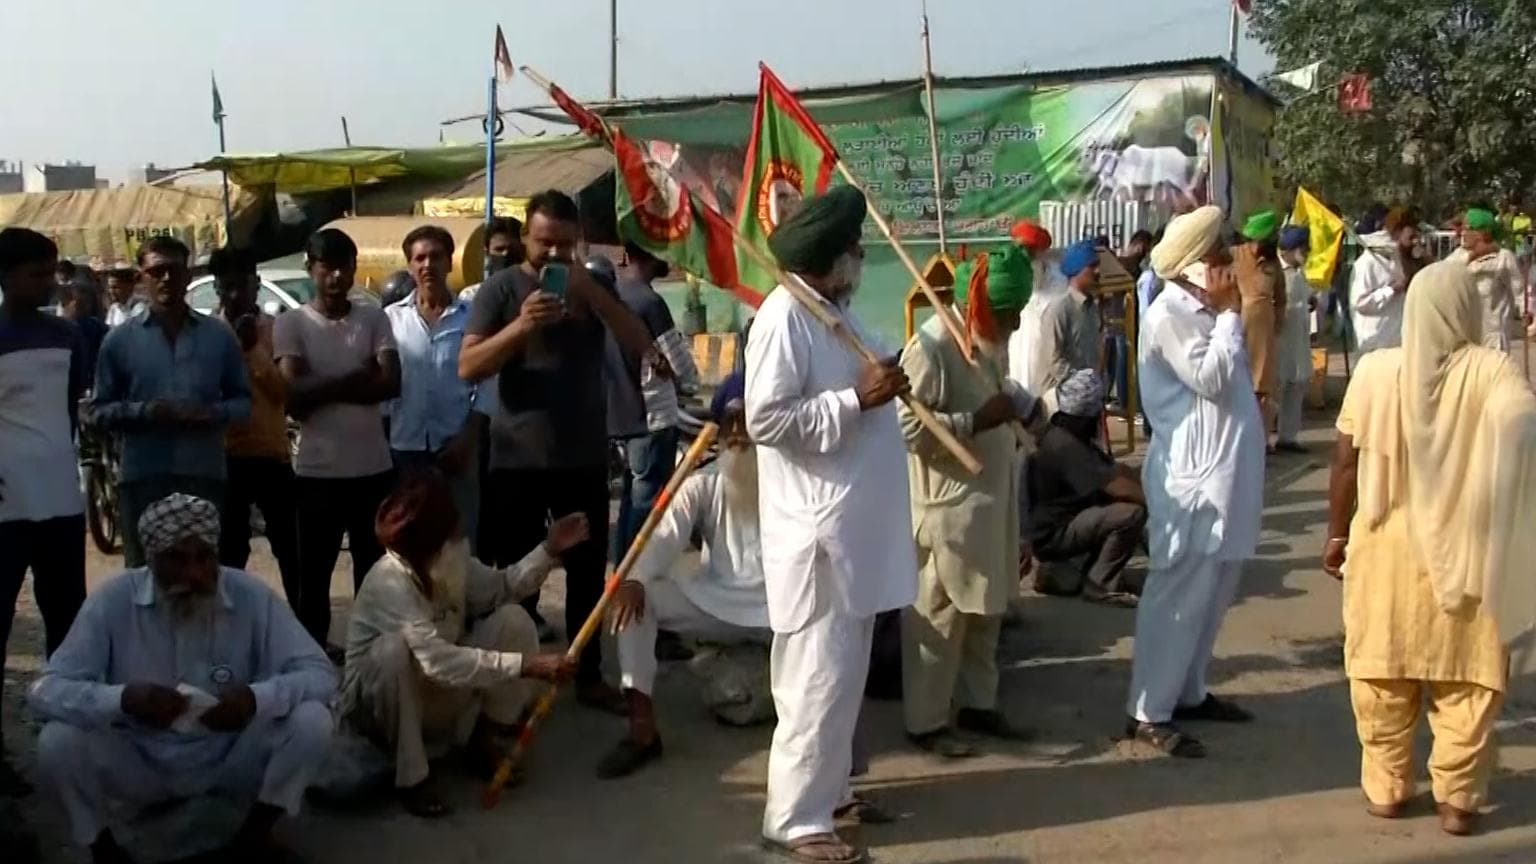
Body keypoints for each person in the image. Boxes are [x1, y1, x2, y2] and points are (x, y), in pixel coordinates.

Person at [1323, 259, 1536, 837]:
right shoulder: (1492, 372)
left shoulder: (1373, 371)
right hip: (1469, 558)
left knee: (1382, 677)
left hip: (1385, 553)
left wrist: (1336, 536)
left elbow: (1345, 462)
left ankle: (1389, 788)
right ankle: (1458, 800)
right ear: (1466, 307)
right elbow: (1524, 428)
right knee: (1467, 682)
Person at [745, 185, 918, 864]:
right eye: (854, 249)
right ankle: (794, 820)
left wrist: (887, 378)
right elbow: (767, 420)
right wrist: (856, 399)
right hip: (818, 538)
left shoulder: (831, 312)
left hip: (853, 537)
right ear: (831, 259)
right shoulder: (784, 318)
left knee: (841, 678)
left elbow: (878, 364)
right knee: (816, 680)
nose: (862, 257)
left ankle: (833, 791)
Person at [29, 493, 336, 864]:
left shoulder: (250, 596)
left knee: (313, 721)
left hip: (229, 757)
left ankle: (253, 838)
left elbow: (320, 673)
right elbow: (46, 690)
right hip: (142, 760)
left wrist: (256, 699)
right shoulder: (112, 602)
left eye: (205, 558)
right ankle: (105, 851)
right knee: (57, 742)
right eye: (177, 559)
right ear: (150, 558)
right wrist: (124, 699)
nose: (194, 574)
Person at [460, 189, 652, 713]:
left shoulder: (592, 286)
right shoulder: (500, 289)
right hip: (516, 459)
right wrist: (523, 325)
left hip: (582, 457)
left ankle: (588, 674)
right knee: (517, 578)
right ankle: (515, 683)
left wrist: (593, 291)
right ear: (525, 236)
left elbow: (640, 342)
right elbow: (468, 366)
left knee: (588, 574)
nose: (553, 255)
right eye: (544, 242)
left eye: (565, 245)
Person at [339, 470, 586, 817]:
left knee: (513, 619)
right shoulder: (388, 583)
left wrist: (548, 549)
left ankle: (481, 741)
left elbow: (502, 587)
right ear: (430, 538)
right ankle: (411, 778)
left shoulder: (449, 561)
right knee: (393, 653)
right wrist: (527, 666)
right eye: (451, 530)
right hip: (382, 710)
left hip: (434, 692)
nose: (460, 536)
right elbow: (437, 661)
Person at [1125, 205, 1265, 758]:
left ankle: (1189, 690)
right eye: (1219, 256)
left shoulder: (1205, 309)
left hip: (1227, 478)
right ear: (1195, 265)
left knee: (1215, 590)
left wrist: (1226, 314)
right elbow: (1209, 378)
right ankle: (1148, 710)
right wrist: (1231, 316)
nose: (1230, 264)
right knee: (1178, 593)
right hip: (1192, 481)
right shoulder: (1170, 314)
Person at [598, 374, 772, 778]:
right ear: (719, 431)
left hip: (782, 614)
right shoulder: (701, 484)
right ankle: (642, 729)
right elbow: (663, 539)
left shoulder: (793, 480)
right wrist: (635, 579)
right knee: (639, 600)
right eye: (732, 423)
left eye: (751, 422)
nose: (741, 434)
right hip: (718, 606)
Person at [898, 246, 1034, 759]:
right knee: (939, 619)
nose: (1017, 324)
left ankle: (980, 706)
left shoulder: (984, 340)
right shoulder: (930, 348)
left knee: (985, 612)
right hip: (946, 510)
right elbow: (909, 430)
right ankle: (926, 724)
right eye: (1008, 314)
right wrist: (978, 422)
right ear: (980, 307)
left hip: (988, 506)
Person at [273, 228, 400, 647]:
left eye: (344, 266)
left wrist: (321, 386)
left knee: (374, 571)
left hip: (373, 470)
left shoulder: (374, 317)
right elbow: (294, 398)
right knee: (315, 575)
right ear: (311, 269)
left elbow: (390, 383)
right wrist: (354, 377)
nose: (336, 276)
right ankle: (312, 655)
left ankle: (369, 651)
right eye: (327, 267)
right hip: (317, 473)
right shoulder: (291, 324)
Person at [92, 236, 251, 568]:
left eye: (174, 271)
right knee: (143, 579)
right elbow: (100, 410)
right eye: (157, 271)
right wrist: (147, 412)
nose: (166, 279)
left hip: (204, 475)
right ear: (142, 277)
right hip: (143, 476)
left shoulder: (218, 336)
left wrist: (210, 414)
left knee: (206, 577)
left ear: (189, 276)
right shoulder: (119, 341)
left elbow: (243, 403)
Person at [0, 229, 88, 787]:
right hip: (6, 507)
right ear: (5, 277)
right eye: (35, 273)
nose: (48, 283)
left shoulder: (67, 335)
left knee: (69, 624)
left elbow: (69, 411)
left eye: (51, 272)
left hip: (60, 499)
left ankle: (67, 737)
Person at [386, 225, 488, 550]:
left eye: (435, 256)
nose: (427, 264)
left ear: (449, 262)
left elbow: (487, 382)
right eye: (419, 258)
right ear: (409, 265)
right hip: (405, 451)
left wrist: (469, 437)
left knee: (459, 544)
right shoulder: (390, 320)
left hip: (456, 449)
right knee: (409, 545)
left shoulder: (472, 319)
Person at [208, 247, 299, 605]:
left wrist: (252, 351)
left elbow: (283, 394)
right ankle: (228, 628)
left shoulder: (277, 330)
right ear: (216, 289)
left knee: (291, 549)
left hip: (272, 455)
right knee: (229, 552)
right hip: (225, 457)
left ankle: (308, 629)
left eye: (241, 287)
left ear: (256, 285)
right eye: (226, 287)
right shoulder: (208, 335)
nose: (234, 296)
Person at [612, 241, 702, 560]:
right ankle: (635, 579)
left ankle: (619, 580)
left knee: (631, 502)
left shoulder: (611, 296)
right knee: (648, 506)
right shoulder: (649, 302)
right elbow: (680, 366)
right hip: (654, 417)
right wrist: (691, 384)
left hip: (621, 418)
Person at [1027, 369, 1147, 606]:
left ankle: (1097, 573)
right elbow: (1116, 486)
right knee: (1131, 514)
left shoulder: (1065, 434)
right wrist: (1158, 504)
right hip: (1053, 535)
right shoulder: (1065, 445)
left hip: (1060, 526)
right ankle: (1101, 585)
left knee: (1126, 501)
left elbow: (1114, 471)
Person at [1232, 209, 1286, 452]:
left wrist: (1279, 322)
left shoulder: (1274, 264)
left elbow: (1281, 298)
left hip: (1264, 330)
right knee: (1237, 383)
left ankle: (1261, 441)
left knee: (1261, 389)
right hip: (1236, 326)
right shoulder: (1234, 256)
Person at [1037, 240, 1102, 414]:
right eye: (1092, 266)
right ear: (1076, 270)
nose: (1098, 271)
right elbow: (1053, 359)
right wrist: (1079, 384)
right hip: (1061, 403)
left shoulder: (1091, 308)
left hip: (1087, 401)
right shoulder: (1059, 309)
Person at [1450, 207, 1526, 353]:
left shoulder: (1503, 258)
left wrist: (1527, 314)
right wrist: (1471, 257)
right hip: (1465, 334)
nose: (1463, 233)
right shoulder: (1457, 256)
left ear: (1481, 233)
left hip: (1493, 336)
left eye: (1468, 228)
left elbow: (1520, 291)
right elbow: (1444, 276)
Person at [1350, 207, 1420, 355]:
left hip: (1396, 342)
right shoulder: (1366, 263)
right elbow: (1360, 303)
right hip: (1374, 344)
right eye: (1409, 228)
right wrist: (1391, 290)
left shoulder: (1397, 260)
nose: (1415, 235)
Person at [1008, 220, 1062, 402]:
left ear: (1042, 254)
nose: (1026, 258)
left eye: (1031, 253)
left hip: (1048, 372)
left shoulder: (1060, 285)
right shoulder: (1011, 280)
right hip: (1015, 364)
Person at [1274, 227, 1314, 454]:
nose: (1306, 253)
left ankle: (1288, 437)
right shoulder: (1277, 271)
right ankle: (1264, 439)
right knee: (1277, 387)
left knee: (1296, 385)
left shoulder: (1300, 272)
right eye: (1303, 248)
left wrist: (1310, 302)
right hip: (1281, 339)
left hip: (1299, 338)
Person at [56, 278, 109, 389]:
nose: (84, 308)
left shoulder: (98, 328)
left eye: (86, 303)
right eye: (79, 304)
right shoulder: (56, 331)